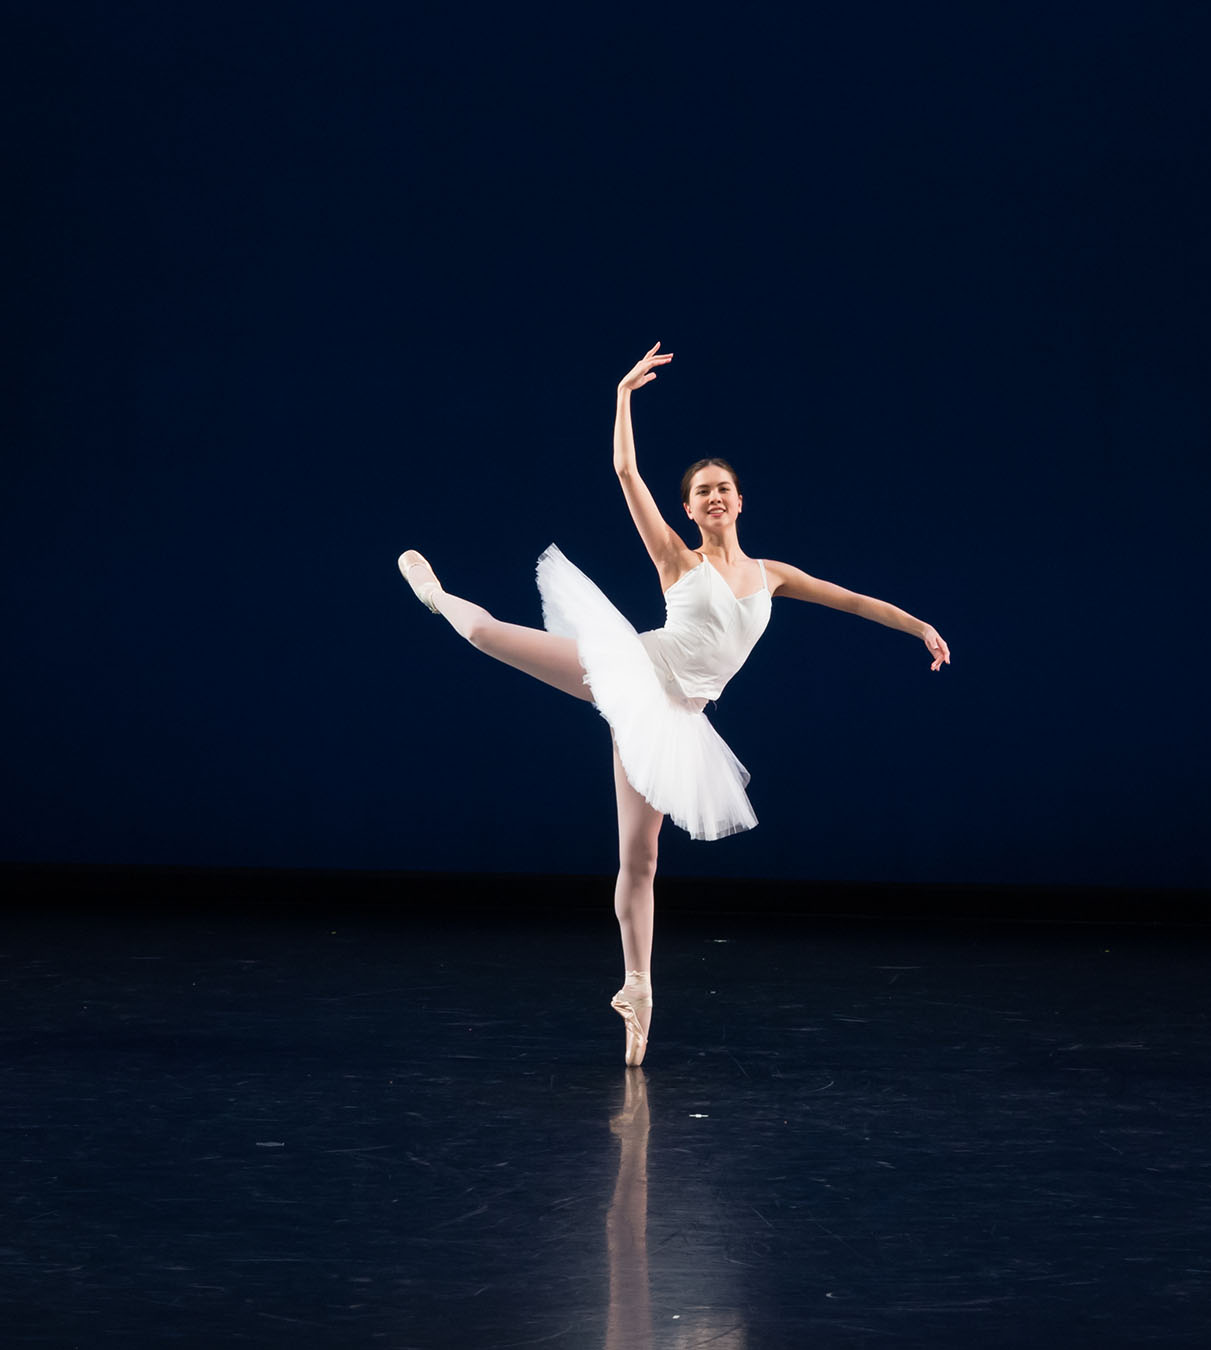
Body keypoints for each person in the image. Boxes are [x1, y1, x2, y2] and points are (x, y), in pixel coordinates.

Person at [397, 342, 951, 1065]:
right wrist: (624, 394)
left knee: (642, 858)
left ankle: (638, 989)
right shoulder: (676, 559)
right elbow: (626, 470)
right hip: (637, 672)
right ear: (689, 509)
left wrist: (919, 626)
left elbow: (850, 599)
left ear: (740, 500)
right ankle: (440, 598)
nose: (714, 497)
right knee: (494, 636)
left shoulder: (771, 575)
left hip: (678, 721)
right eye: (701, 492)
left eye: (724, 487)